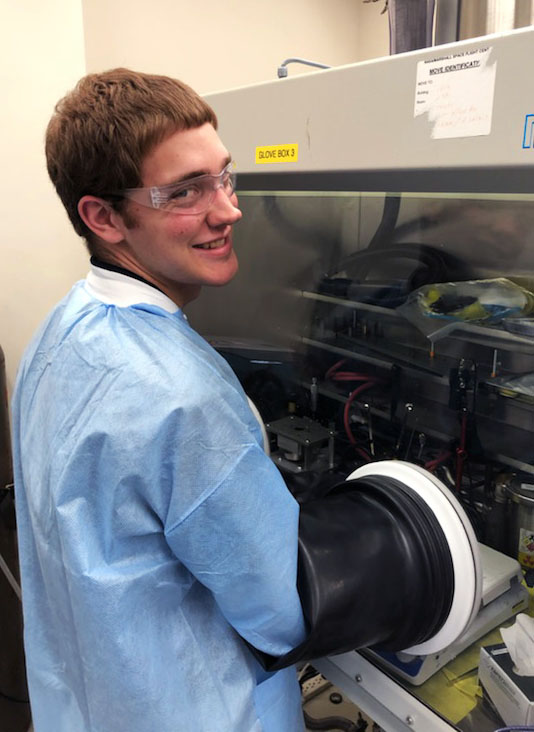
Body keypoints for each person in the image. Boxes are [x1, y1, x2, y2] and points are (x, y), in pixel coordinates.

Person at [11, 68, 307, 732]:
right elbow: (281, 610)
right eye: (185, 192)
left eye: (224, 175)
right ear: (103, 218)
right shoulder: (185, 399)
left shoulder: (59, 332)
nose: (228, 209)